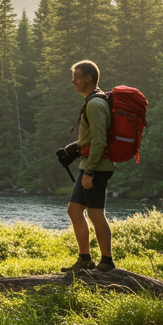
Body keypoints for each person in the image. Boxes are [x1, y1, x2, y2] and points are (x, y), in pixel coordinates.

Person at [65, 60, 115, 272]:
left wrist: (89, 172)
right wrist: (74, 148)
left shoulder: (95, 104)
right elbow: (92, 138)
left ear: (88, 78)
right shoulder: (94, 101)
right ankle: (85, 259)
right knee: (75, 210)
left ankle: (106, 262)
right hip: (90, 165)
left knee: (95, 214)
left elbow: (100, 141)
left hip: (96, 168)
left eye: (77, 76)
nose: (73, 81)